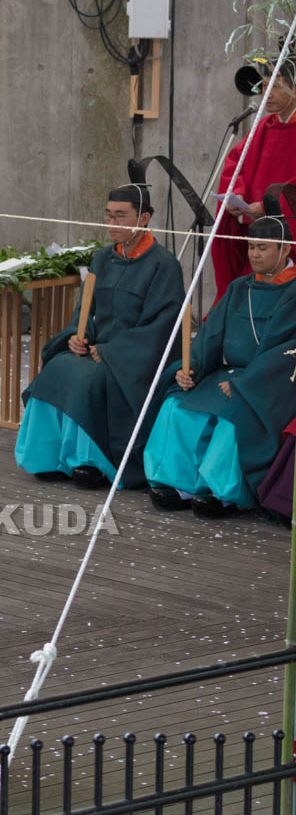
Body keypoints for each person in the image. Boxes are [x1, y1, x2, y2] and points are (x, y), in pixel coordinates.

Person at [15, 180, 183, 490]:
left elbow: (163, 327)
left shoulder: (165, 265)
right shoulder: (103, 258)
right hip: (96, 348)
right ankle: (50, 456)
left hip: (130, 358)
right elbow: (86, 309)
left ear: (144, 218)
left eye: (121, 215)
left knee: (87, 380)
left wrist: (110, 351)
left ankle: (90, 462)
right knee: (58, 367)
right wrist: (78, 336)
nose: (111, 223)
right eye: (108, 215)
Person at [144, 214, 296, 517]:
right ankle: (180, 484)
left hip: (269, 383)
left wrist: (247, 383)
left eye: (262, 248)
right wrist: (192, 367)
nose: (253, 254)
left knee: (232, 415)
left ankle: (223, 493)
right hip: (231, 375)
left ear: (285, 249)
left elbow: (285, 350)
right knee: (178, 402)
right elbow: (211, 333)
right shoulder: (240, 287)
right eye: (251, 246)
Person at [211, 61, 296, 302]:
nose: (266, 94)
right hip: (255, 229)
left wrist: (270, 208)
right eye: (264, 86)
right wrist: (237, 197)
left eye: (276, 87)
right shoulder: (263, 127)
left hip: (286, 238)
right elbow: (237, 166)